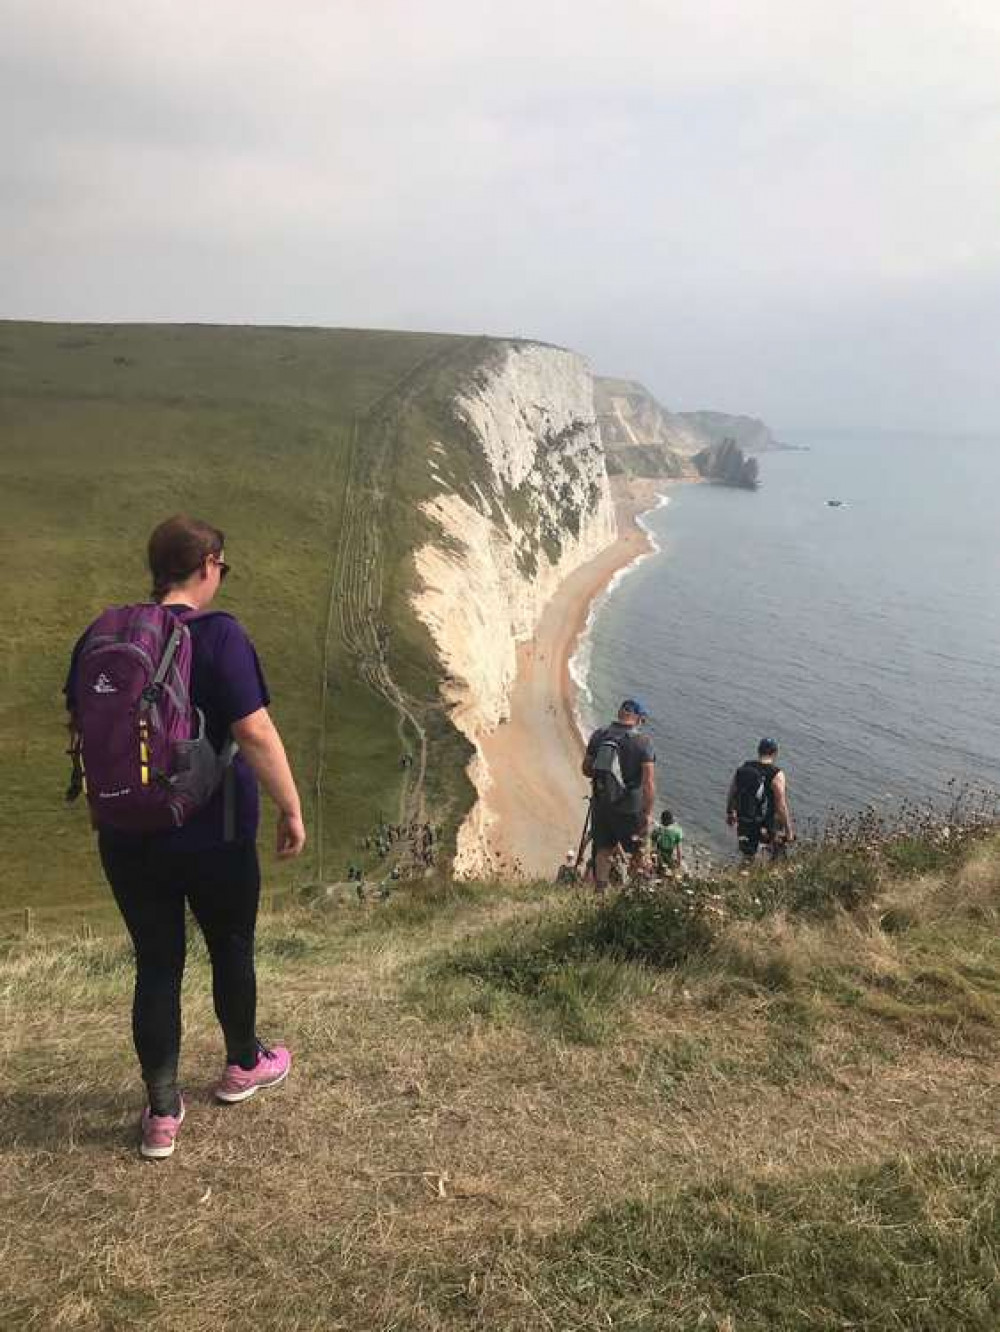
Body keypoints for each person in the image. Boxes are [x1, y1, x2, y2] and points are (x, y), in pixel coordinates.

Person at [64, 515, 306, 1160]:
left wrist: (105, 812)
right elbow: (253, 732)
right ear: (209, 564)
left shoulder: (104, 633)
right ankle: (240, 1065)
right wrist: (291, 808)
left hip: (126, 832)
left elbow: (87, 730)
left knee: (157, 962)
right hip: (216, 832)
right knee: (230, 944)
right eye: (221, 567)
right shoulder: (220, 635)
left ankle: (163, 1111)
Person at [582, 699, 656, 895]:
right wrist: (648, 814)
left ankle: (600, 892)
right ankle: (637, 892)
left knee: (604, 848)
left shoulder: (599, 735)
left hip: (601, 803)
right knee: (639, 851)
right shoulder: (643, 742)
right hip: (630, 808)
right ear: (639, 719)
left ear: (619, 713)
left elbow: (586, 769)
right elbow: (648, 783)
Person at [726, 738, 794, 860]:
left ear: (758, 751)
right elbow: (781, 805)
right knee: (777, 856)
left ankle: (744, 875)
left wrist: (730, 812)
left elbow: (732, 792)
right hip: (767, 823)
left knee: (747, 856)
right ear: (775, 753)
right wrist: (789, 830)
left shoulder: (744, 767)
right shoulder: (776, 774)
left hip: (745, 819)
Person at [651, 808, 684, 873]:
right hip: (668, 858)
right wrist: (679, 864)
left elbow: (652, 846)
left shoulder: (657, 830)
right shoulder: (677, 831)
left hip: (656, 858)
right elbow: (679, 851)